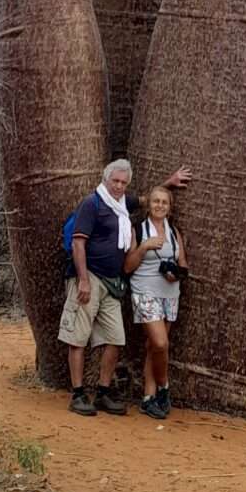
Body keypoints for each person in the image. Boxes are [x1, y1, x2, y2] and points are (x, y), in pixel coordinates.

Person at [62, 159, 189, 416]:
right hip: (89, 278)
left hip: (112, 282)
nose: (119, 186)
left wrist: (170, 182)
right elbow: (78, 243)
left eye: (123, 182)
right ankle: (77, 394)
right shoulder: (92, 204)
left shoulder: (122, 204)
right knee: (78, 336)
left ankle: (102, 392)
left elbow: (151, 200)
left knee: (115, 339)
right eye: (115, 181)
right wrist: (83, 279)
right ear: (105, 179)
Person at [125, 185, 186, 420]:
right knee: (161, 343)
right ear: (149, 205)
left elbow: (183, 264)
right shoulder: (138, 230)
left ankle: (149, 398)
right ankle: (164, 387)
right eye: (156, 201)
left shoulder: (174, 232)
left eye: (164, 202)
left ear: (170, 208)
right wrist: (144, 247)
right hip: (144, 291)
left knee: (153, 347)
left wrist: (175, 273)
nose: (160, 205)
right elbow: (128, 266)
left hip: (169, 293)